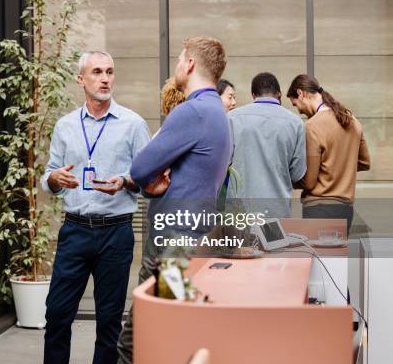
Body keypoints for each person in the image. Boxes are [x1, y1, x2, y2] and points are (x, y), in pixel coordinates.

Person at [118, 36, 232, 364]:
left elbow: (139, 168)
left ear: (191, 64)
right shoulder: (218, 113)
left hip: (171, 249)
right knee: (169, 336)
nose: (177, 66)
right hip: (189, 243)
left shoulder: (191, 112)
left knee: (139, 341)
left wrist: (147, 182)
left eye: (180, 59)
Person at [41, 51, 150, 364]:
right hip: (74, 230)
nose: (105, 78)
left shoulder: (133, 124)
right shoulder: (65, 126)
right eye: (97, 72)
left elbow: (148, 181)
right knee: (58, 314)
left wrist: (127, 181)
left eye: (110, 72)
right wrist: (55, 178)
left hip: (115, 233)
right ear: (81, 79)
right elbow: (48, 176)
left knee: (109, 322)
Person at [287, 74, 370, 232]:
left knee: (319, 256)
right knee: (337, 256)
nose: (299, 111)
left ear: (301, 93)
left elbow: (310, 182)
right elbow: (365, 163)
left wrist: (287, 178)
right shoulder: (352, 121)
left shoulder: (312, 126)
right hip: (346, 209)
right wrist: (339, 167)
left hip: (319, 208)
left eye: (295, 104)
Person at [226, 72, 306, 217]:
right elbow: (297, 174)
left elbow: (222, 164)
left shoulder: (232, 118)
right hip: (277, 212)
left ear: (253, 95)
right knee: (277, 241)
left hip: (239, 213)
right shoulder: (296, 123)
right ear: (279, 95)